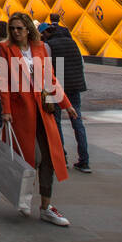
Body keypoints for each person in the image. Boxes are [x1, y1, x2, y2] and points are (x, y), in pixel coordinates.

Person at [0, 11, 77, 227]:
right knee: (32, 157)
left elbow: (50, 79)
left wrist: (67, 105)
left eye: (19, 28)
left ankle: (46, 207)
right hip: (21, 113)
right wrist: (6, 111)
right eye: (12, 28)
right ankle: (23, 197)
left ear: (27, 29)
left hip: (44, 111)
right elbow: (3, 81)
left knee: (50, 159)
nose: (15, 31)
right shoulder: (4, 48)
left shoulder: (40, 48)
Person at [41, 17, 90, 173]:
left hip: (57, 87)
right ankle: (85, 161)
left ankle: (62, 158)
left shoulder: (49, 45)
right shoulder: (72, 42)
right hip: (75, 86)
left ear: (46, 33)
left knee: (55, 123)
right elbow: (81, 65)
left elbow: (47, 69)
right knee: (78, 121)